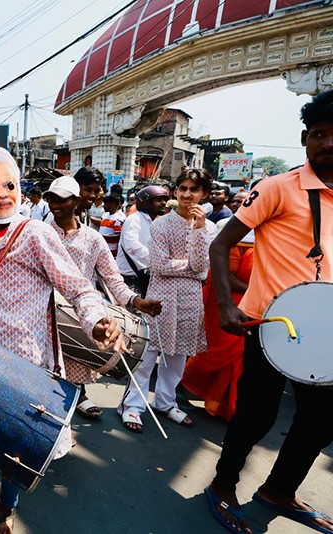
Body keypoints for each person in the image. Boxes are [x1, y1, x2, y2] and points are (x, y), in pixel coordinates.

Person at [0, 147, 125, 534]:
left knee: (15, 445)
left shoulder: (36, 232)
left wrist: (98, 320)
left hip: (26, 360)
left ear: (19, 189)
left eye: (9, 184)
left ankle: (5, 509)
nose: (2, 193)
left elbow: (78, 288)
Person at [204, 89, 333, 534]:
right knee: (255, 416)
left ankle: (279, 490)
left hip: (327, 334)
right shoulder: (278, 186)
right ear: (305, 138)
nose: (329, 143)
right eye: (320, 134)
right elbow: (220, 244)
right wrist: (226, 303)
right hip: (271, 326)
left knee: (322, 420)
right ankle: (222, 486)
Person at [45, 175, 161, 420]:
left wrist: (135, 301)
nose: (55, 204)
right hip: (43, 311)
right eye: (50, 199)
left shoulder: (93, 238)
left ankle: (77, 397)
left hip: (79, 314)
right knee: (42, 372)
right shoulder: (40, 233)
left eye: (61, 199)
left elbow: (113, 279)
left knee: (75, 364)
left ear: (75, 201)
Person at [117, 168, 215, 433]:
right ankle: (133, 407)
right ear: (175, 191)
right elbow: (158, 265)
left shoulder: (210, 227)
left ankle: (166, 402)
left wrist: (199, 230)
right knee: (147, 356)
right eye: (182, 188)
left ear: (204, 194)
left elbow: (203, 268)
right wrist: (191, 267)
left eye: (194, 189)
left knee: (177, 358)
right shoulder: (161, 224)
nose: (187, 194)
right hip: (161, 296)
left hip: (191, 300)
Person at [181, 232, 254, 422]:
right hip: (225, 304)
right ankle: (178, 384)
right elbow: (226, 278)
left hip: (250, 306)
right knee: (216, 353)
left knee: (239, 358)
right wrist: (259, 289)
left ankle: (225, 406)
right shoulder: (238, 241)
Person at [116, 184, 170, 296]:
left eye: (164, 200)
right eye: (159, 200)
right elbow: (132, 245)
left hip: (147, 275)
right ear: (146, 202)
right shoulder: (134, 219)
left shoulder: (158, 222)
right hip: (130, 278)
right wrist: (156, 260)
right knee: (132, 312)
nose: (163, 203)